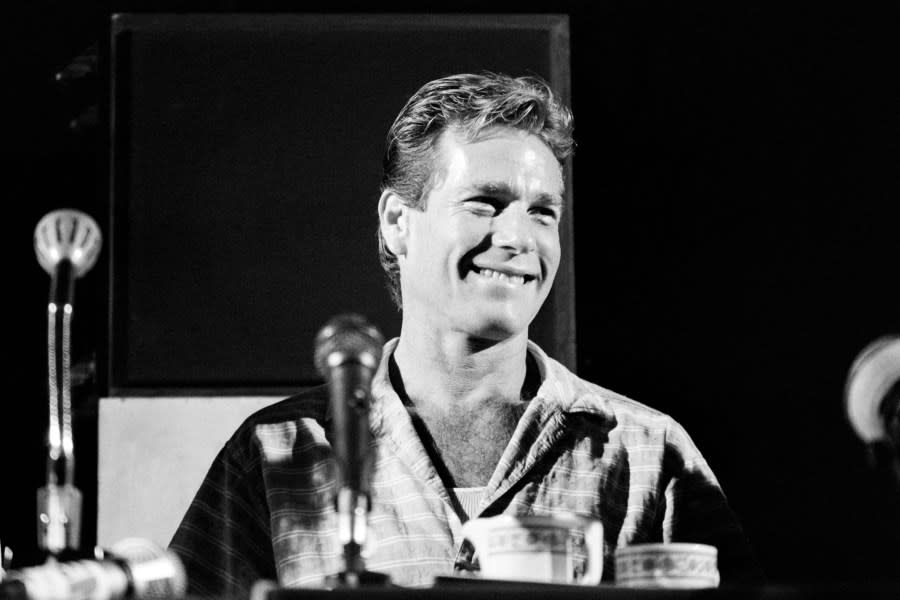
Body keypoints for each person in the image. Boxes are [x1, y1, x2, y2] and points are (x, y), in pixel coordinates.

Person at [169, 72, 762, 596]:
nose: (518, 238)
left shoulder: (648, 453)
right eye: (485, 203)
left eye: (542, 212)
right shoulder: (276, 456)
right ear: (398, 223)